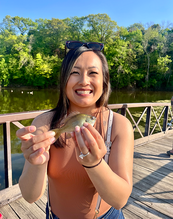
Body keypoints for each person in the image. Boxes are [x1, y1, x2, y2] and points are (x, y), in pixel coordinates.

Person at [16, 41, 134, 219]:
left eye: (93, 73)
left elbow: (120, 200)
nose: (84, 81)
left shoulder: (119, 125)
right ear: (64, 80)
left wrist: (94, 164)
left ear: (104, 80)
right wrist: (36, 162)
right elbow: (30, 196)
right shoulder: (45, 123)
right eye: (74, 73)